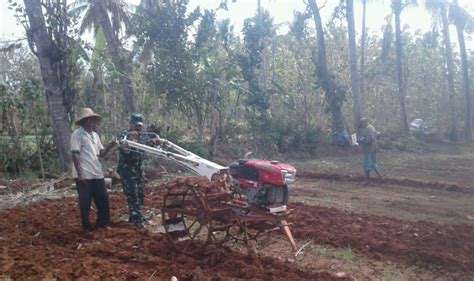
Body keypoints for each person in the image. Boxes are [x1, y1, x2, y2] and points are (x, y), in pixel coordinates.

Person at [71, 108, 115, 232]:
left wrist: (109, 146)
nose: (91, 122)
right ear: (84, 121)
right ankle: (87, 227)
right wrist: (80, 174)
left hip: (96, 172)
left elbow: (101, 153)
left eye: (93, 119)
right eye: (89, 119)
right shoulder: (77, 135)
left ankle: (103, 223)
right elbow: (75, 154)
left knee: (103, 199)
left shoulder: (95, 135)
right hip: (84, 173)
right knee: (85, 202)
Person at [117, 113, 160, 228]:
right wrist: (131, 140)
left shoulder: (143, 136)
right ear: (131, 124)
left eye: (140, 126)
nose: (138, 128)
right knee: (132, 195)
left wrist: (155, 142)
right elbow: (124, 150)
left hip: (139, 170)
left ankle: (134, 215)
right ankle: (137, 220)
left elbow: (149, 145)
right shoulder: (124, 135)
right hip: (128, 170)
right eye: (136, 125)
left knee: (140, 195)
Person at [357, 118, 382, 182]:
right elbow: (376, 135)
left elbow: (369, 139)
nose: (361, 127)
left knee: (366, 165)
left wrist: (360, 140)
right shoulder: (372, 127)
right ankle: (380, 177)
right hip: (374, 148)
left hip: (368, 149)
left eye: (361, 125)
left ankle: (368, 180)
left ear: (364, 123)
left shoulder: (367, 129)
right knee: (374, 163)